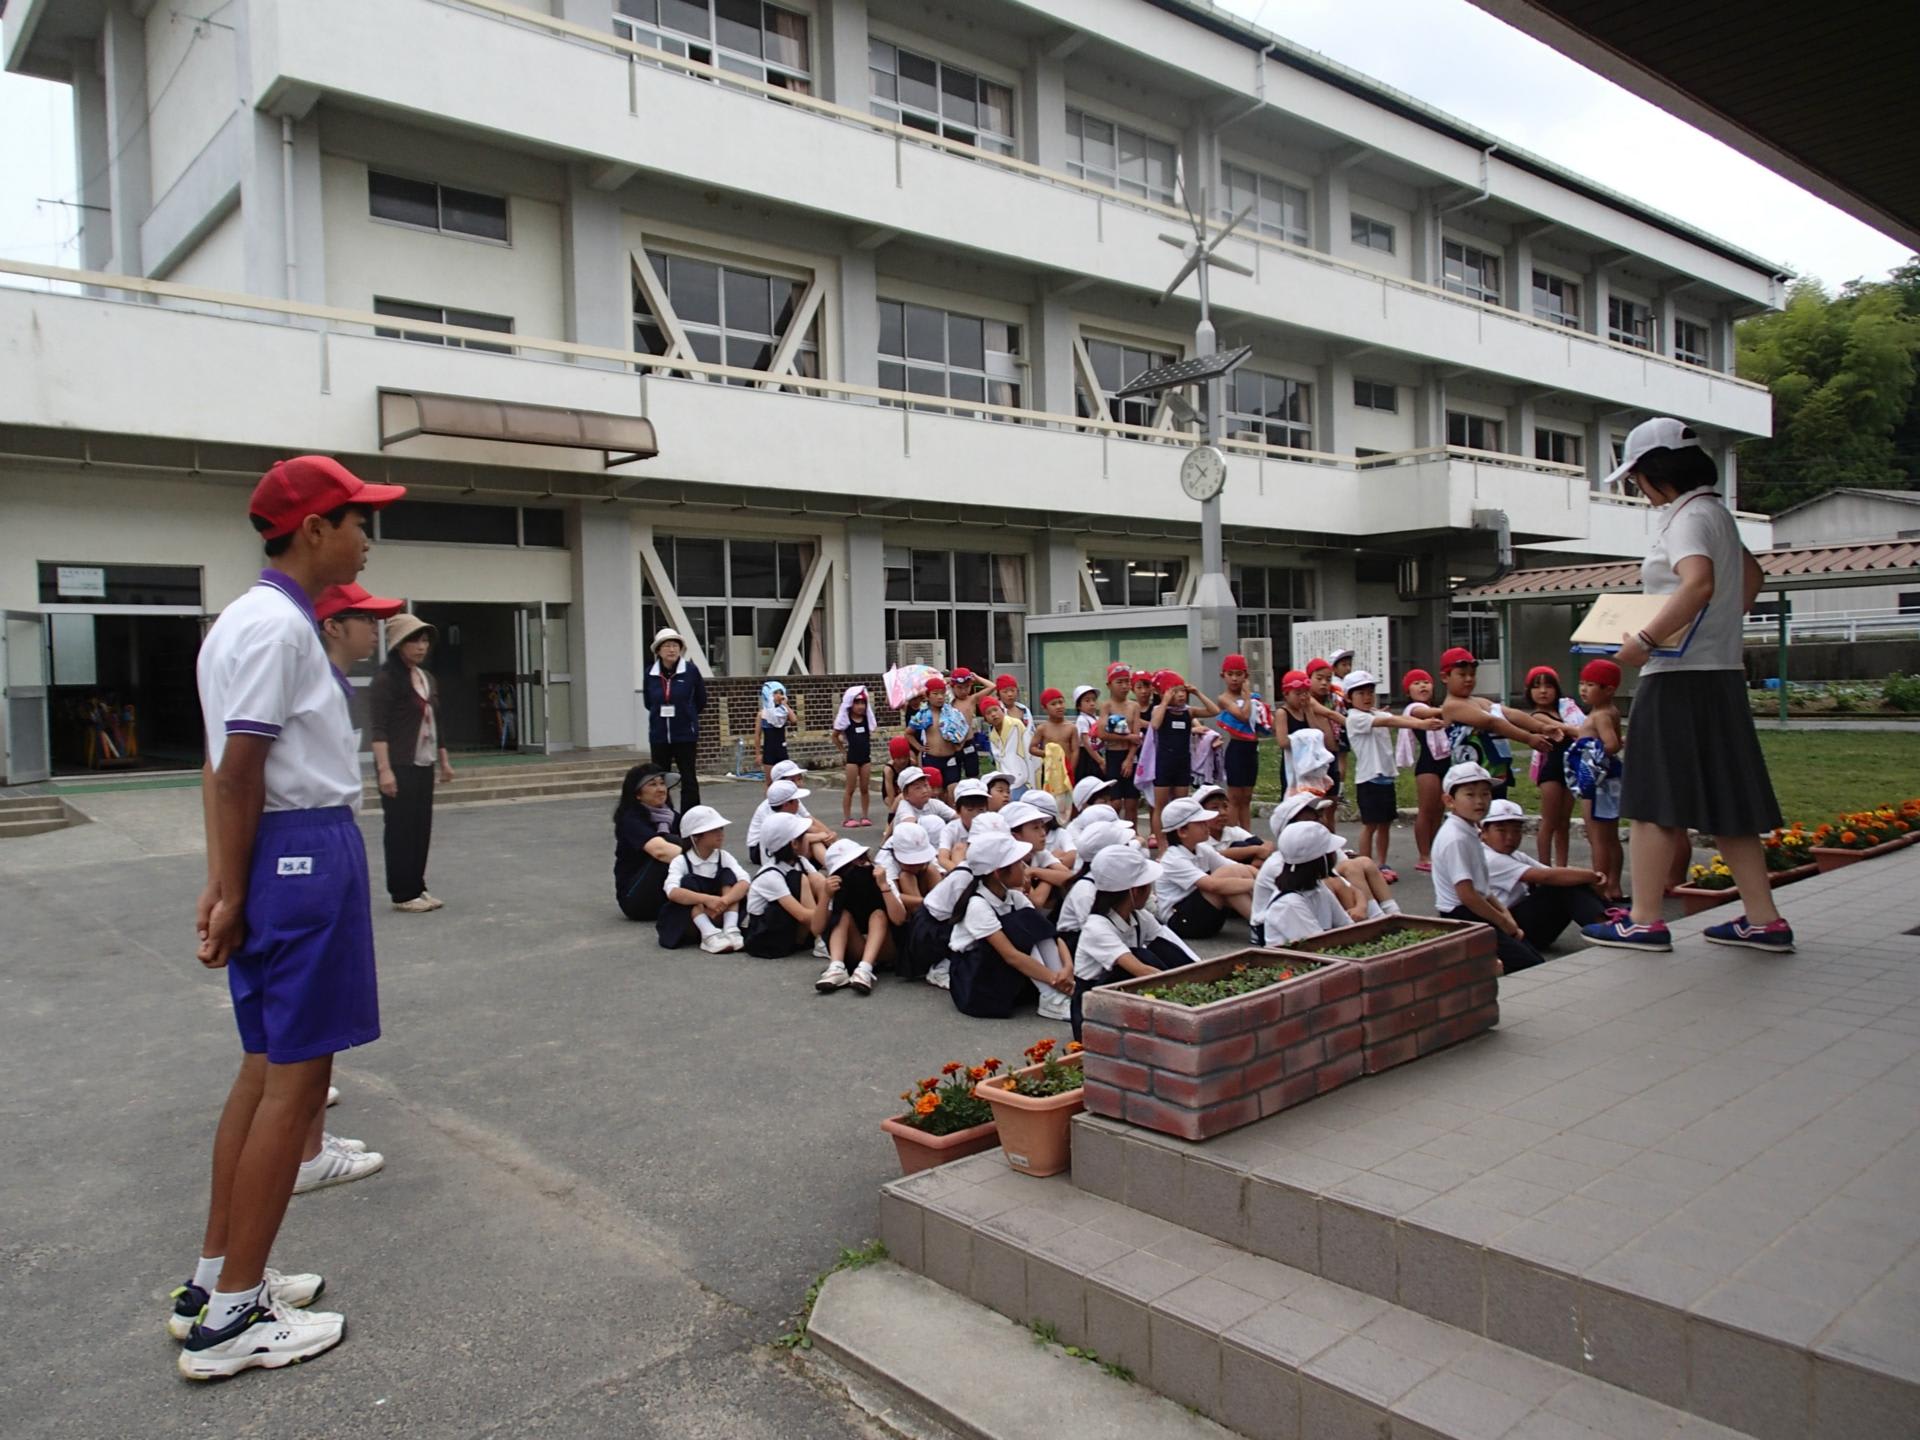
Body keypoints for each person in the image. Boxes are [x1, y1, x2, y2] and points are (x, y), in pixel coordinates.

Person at [179, 455, 405, 1378]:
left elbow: (217, 773)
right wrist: (230, 888)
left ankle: (216, 1278)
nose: (365, 536)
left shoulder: (242, 622)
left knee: (265, 1067)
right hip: (303, 847)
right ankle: (233, 1320)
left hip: (277, 851)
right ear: (313, 528)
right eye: (357, 519)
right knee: (298, 1084)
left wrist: (225, 878)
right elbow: (239, 769)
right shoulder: (278, 630)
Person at [1581, 424, 1793, 952]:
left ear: (1655, 474)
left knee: (1652, 798)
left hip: (1674, 676)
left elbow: (1696, 581)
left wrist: (1646, 640)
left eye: (1637, 480)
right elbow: (1750, 579)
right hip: (1720, 673)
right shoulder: (1716, 513)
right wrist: (1717, 626)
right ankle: (1763, 919)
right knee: (1729, 800)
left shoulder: (1682, 518)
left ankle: (1646, 918)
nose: (1640, 491)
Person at [368, 612, 453, 913]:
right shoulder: (386, 680)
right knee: (400, 829)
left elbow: (436, 721)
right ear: (398, 644)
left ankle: (418, 885)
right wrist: (384, 770)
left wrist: (444, 760)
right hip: (398, 765)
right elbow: (378, 728)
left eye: (425, 640)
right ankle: (402, 892)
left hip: (423, 763)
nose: (421, 646)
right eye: (414, 640)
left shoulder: (426, 678)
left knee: (420, 827)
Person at [946, 832, 1077, 1020]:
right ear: (999, 872)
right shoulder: (978, 905)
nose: (1024, 868)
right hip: (977, 983)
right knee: (1016, 927)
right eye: (1018, 864)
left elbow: (1050, 935)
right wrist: (1055, 980)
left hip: (1005, 973)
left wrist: (1067, 970)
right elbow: (1011, 956)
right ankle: (1052, 998)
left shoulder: (1015, 897)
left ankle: (1060, 994)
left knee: (1030, 923)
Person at [1071, 845, 1198, 1039]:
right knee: (1142, 955)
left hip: (1120, 1001)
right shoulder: (1096, 927)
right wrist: (1186, 998)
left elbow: (1173, 945)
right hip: (1092, 1013)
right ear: (1135, 891)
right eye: (1148, 885)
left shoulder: (1139, 917)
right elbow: (1141, 970)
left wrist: (1201, 973)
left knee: (1164, 950)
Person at [1431, 761, 1544, 974]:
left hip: (1479, 909)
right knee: (1529, 967)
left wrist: (1506, 917)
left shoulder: (1469, 829)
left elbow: (1482, 888)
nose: (1479, 801)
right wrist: (1502, 921)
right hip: (1462, 916)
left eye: (1485, 794)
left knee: (1533, 959)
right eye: (1470, 795)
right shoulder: (1455, 837)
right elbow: (1467, 895)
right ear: (1449, 801)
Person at [1341, 669, 1444, 882]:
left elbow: (1394, 717)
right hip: (1369, 778)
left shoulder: (1373, 713)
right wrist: (1422, 724)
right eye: (1361, 693)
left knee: (1385, 823)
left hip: (1386, 776)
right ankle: (1365, 865)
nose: (1367, 697)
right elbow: (1392, 722)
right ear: (1349, 698)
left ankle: (1381, 863)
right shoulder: (1355, 718)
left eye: (1370, 692)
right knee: (1370, 825)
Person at [1480, 799, 1611, 951]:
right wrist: (1593, 876)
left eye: (1516, 830)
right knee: (1562, 886)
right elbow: (1546, 876)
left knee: (1569, 880)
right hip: (1509, 929)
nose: (1510, 837)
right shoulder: (1488, 857)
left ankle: (1611, 919)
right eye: (1501, 830)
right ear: (1484, 832)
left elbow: (1551, 872)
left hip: (1522, 921)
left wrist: (1590, 878)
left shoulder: (1515, 855)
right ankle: (1607, 926)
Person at [1436, 648, 1561, 802]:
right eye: (1462, 675)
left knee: (1496, 819)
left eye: (1472, 674)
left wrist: (1541, 727)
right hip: (1471, 780)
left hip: (1496, 772)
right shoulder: (1452, 705)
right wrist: (1528, 738)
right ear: (1444, 677)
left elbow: (1510, 713)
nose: (1469, 679)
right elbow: (1491, 722)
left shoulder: (1479, 701)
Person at [1153, 795, 1256, 939]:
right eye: (1200, 823)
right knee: (1225, 877)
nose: (1206, 825)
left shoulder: (1202, 849)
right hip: (1182, 922)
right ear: (1182, 831)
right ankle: (1262, 925)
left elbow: (1238, 868)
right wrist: (1258, 883)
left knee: (1236, 871)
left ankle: (1266, 921)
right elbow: (1213, 886)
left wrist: (1267, 878)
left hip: (1204, 915)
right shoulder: (1173, 858)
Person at [1569, 659, 1627, 902]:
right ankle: (1613, 885)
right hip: (1606, 777)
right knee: (1609, 835)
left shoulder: (1601, 714)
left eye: (1591, 684)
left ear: (1609, 689)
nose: (1583, 689)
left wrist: (1592, 753)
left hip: (1598, 779)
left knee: (1599, 836)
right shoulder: (1603, 712)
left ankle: (1601, 885)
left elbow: (1612, 743)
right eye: (1582, 683)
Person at [816, 838, 906, 994]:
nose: (861, 865)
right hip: (855, 948)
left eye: (862, 860)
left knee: (878, 915)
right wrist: (825, 895)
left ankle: (865, 969)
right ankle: (836, 967)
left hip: (886, 947)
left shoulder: (883, 880)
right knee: (842, 916)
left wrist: (884, 886)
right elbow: (816, 928)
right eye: (852, 864)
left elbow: (900, 919)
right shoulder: (835, 889)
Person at [657, 804, 749, 953]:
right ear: (695, 836)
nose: (720, 834)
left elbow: (745, 881)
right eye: (714, 830)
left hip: (720, 912)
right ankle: (708, 934)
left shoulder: (723, 856)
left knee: (728, 875)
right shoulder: (681, 861)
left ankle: (730, 929)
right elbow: (672, 891)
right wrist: (706, 899)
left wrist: (723, 901)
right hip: (693, 920)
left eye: (721, 829)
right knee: (687, 883)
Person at [742, 810, 831, 959]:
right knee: (803, 880)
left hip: (787, 929)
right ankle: (821, 938)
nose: (808, 840)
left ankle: (822, 935)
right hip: (765, 938)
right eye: (804, 837)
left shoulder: (800, 861)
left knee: (817, 878)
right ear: (794, 844)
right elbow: (802, 915)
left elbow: (820, 883)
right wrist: (829, 914)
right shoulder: (770, 875)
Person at [1261, 822, 1367, 946]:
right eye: (1331, 852)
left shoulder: (1319, 887)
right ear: (1320, 859)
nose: (1336, 855)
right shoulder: (1289, 903)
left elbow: (1346, 927)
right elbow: (1319, 946)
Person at [1149, 672, 1218, 853]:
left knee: (1181, 804)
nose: (1181, 695)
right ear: (1165, 693)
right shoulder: (1159, 710)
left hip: (1182, 762)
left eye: (1182, 691)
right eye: (1175, 691)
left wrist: (1197, 693)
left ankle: (1179, 844)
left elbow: (1214, 711)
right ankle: (1163, 845)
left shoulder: (1188, 712)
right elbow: (1155, 725)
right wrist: (1164, 702)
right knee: (1161, 805)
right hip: (1164, 762)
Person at [1524, 666, 1585, 868]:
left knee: (1563, 823)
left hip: (1570, 769)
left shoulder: (1568, 711)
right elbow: (1566, 730)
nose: (1543, 691)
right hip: (1550, 770)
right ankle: (1544, 868)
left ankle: (1561, 866)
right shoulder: (1537, 716)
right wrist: (1578, 731)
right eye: (1537, 686)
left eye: (1548, 686)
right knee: (1549, 821)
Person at [612, 763, 684, 922]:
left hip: (666, 895)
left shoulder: (674, 817)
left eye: (662, 783)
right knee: (670, 843)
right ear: (637, 794)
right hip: (636, 898)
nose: (660, 789)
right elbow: (660, 851)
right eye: (652, 784)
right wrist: (700, 859)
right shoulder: (630, 819)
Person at [644, 628, 706, 806]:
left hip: (685, 733)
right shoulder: (650, 673)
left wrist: (688, 715)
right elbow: (649, 702)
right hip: (659, 734)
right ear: (658, 650)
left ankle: (691, 815)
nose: (671, 650)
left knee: (688, 777)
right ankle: (664, 813)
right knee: (659, 778)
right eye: (667, 646)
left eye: (675, 646)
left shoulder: (691, 671)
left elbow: (701, 700)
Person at [1398, 669, 1450, 873]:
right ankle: (1424, 855)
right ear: (1408, 691)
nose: (1422, 686)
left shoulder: (1437, 709)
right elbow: (1425, 713)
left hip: (1445, 762)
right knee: (1427, 810)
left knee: (1439, 810)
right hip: (1427, 765)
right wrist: (1452, 708)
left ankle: (1435, 851)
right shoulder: (1414, 708)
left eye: (1426, 682)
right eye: (1417, 683)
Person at [1214, 654, 1262, 833]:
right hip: (1236, 749)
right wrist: (1248, 696)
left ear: (1245, 676)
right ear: (1223, 676)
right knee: (1234, 796)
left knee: (1247, 796)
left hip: (1251, 748)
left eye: (1238, 674)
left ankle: (1247, 833)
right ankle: (1232, 833)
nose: (1234, 678)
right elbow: (1242, 715)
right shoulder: (1224, 698)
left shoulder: (1253, 697)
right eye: (1230, 674)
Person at [1098, 662, 1144, 828]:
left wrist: (1130, 759)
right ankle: (1114, 833)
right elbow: (1101, 733)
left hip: (1130, 756)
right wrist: (1128, 737)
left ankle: (1133, 835)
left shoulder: (1134, 706)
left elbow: (1137, 738)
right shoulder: (1106, 706)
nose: (1124, 686)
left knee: (1132, 802)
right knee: (1115, 802)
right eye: (1120, 682)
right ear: (1109, 685)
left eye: (1127, 682)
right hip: (1113, 755)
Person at [1192, 783, 1268, 866]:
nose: (1223, 813)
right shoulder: (1198, 839)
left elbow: (1267, 845)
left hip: (1243, 874)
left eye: (1225, 806)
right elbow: (1212, 857)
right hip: (1215, 876)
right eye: (1214, 808)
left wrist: (1256, 861)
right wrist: (1255, 850)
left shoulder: (1233, 831)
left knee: (1243, 845)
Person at [1028, 687, 1080, 807]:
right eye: (1053, 704)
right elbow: (1032, 748)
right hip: (1049, 772)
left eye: (1061, 702)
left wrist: (1070, 770)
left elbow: (1075, 750)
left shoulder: (1071, 727)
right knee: (1050, 802)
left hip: (1066, 770)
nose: (1058, 706)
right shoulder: (1043, 728)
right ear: (1045, 708)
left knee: (1068, 804)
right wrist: (1048, 753)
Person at [832, 684, 875, 828]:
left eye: (863, 703)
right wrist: (843, 751)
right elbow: (835, 736)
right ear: (851, 704)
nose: (861, 706)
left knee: (864, 788)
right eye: (857, 703)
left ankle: (865, 815)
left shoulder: (866, 720)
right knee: (850, 789)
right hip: (852, 759)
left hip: (865, 758)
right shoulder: (846, 720)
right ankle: (847, 817)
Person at [920, 677, 969, 794]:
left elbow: (965, 729)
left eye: (942, 693)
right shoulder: (924, 715)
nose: (940, 697)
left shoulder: (952, 713)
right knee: (935, 791)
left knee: (952, 790)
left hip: (950, 756)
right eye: (935, 694)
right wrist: (919, 747)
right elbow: (908, 733)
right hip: (931, 758)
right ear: (927, 696)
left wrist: (960, 744)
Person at [936, 777, 992, 869]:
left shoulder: (991, 826)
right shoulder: (951, 829)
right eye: (970, 809)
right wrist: (960, 872)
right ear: (958, 810)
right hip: (961, 870)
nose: (975, 814)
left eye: (981, 810)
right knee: (959, 848)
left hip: (987, 868)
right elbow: (943, 858)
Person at [979, 697, 1034, 791]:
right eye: (988, 713)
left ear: (1002, 710)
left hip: (1024, 776)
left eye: (995, 710)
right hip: (1005, 779)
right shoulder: (993, 735)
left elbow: (1027, 750)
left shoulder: (1015, 725)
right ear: (986, 719)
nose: (993, 714)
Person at [755, 680, 793, 774]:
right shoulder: (762, 714)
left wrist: (785, 705)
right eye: (775, 693)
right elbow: (757, 735)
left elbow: (794, 720)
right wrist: (758, 754)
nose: (778, 695)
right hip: (769, 751)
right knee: (770, 781)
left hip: (782, 750)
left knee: (785, 778)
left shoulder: (783, 713)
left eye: (781, 693)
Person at [1070, 684, 1105, 785]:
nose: (1092, 703)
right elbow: (1086, 742)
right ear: (1078, 705)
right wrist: (1100, 761)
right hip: (1087, 756)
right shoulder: (1082, 720)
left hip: (1097, 752)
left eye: (1094, 700)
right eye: (1087, 701)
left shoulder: (1097, 718)